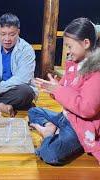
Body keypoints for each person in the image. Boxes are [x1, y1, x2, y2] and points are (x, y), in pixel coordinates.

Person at [29, 17, 100, 165]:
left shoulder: (96, 72)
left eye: (70, 46)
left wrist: (58, 90)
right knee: (33, 112)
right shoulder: (74, 64)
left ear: (86, 43)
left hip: (81, 125)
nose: (68, 51)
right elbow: (65, 93)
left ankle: (49, 134)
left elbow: (87, 109)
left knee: (50, 154)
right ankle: (51, 126)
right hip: (67, 116)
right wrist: (53, 88)